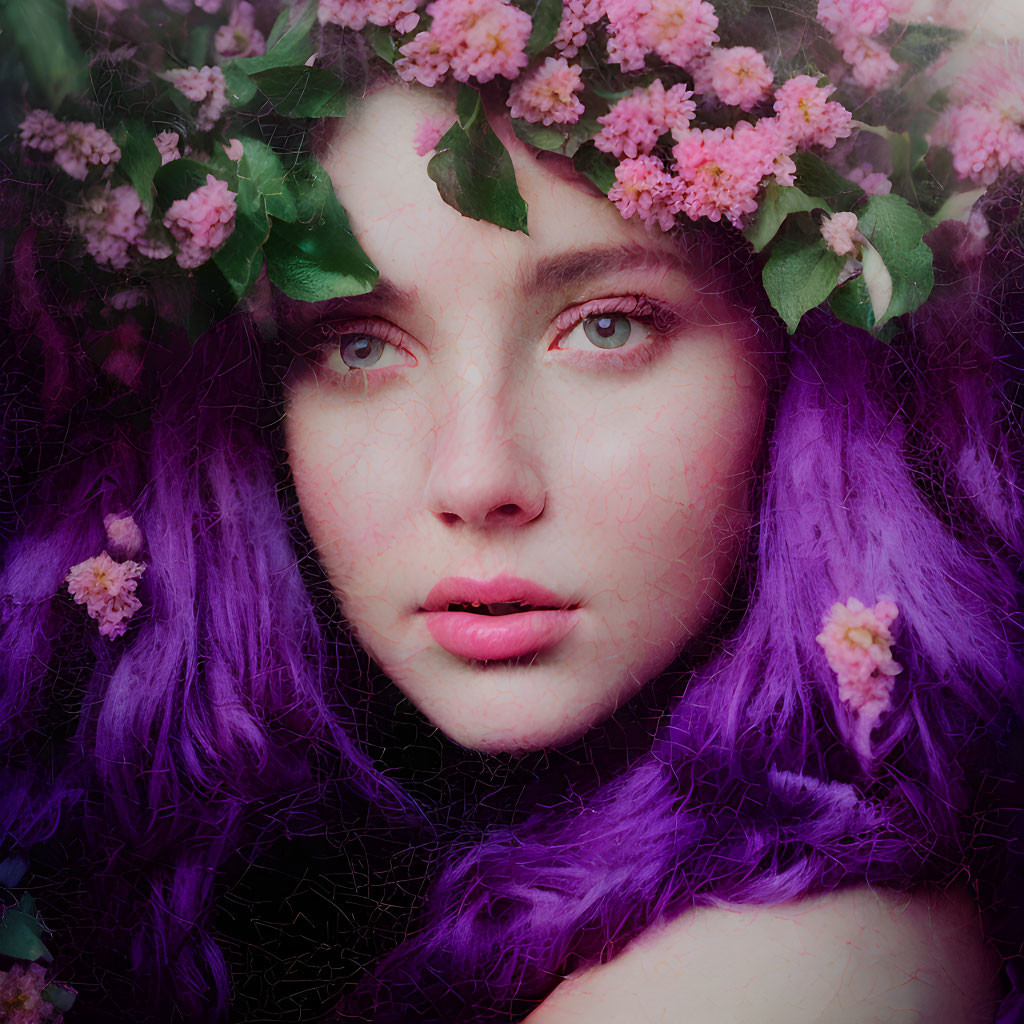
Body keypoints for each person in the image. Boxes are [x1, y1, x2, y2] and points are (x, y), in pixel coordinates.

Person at [0, 1, 1021, 1022]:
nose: (474, 477)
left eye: (608, 326)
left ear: (793, 367)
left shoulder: (805, 964)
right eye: (358, 344)